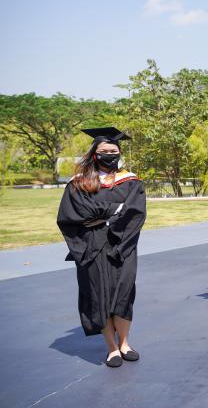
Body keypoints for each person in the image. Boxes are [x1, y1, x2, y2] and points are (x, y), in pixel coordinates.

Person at [57, 127, 147, 368]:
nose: (110, 155)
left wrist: (103, 217)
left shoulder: (131, 181)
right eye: (105, 151)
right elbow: (74, 214)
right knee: (99, 297)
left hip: (123, 245)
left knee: (124, 294)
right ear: (95, 154)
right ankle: (112, 348)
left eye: (114, 151)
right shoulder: (79, 183)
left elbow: (135, 213)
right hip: (91, 246)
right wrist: (114, 210)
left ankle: (125, 343)